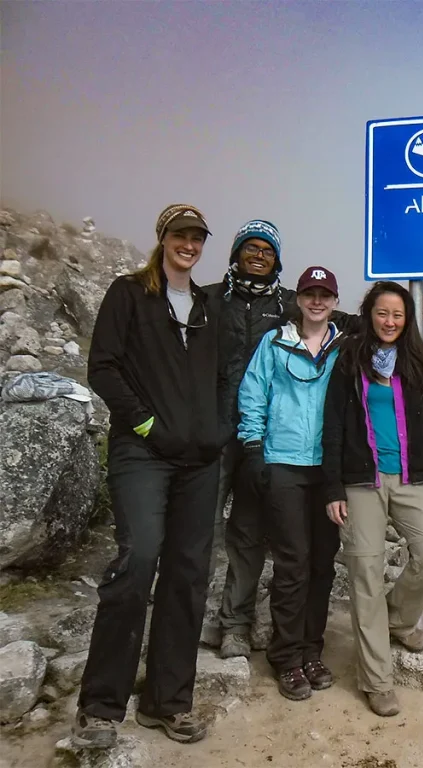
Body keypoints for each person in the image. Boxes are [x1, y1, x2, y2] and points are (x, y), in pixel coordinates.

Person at [73, 204, 222, 748]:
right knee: (137, 560)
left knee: (187, 572)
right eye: (181, 235)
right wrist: (145, 422)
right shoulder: (129, 293)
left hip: (200, 459)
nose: (189, 244)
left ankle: (168, 703)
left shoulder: (208, 306)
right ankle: (100, 706)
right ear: (162, 238)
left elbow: (225, 373)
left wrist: (218, 428)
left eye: (198, 237)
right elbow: (103, 366)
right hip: (142, 451)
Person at [205, 220, 360, 660]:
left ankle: (240, 624)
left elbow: (343, 320)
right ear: (235, 253)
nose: (258, 255)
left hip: (272, 443)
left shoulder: (289, 303)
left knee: (254, 532)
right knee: (208, 530)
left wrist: (399, 313)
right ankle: (205, 618)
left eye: (267, 250)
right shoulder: (212, 299)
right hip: (220, 431)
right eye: (250, 248)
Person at [322, 280, 423, 718]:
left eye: (398, 314)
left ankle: (397, 620)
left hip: (411, 479)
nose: (390, 321)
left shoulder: (422, 360)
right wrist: (333, 487)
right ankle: (376, 680)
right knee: (365, 573)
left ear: (408, 318)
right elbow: (333, 424)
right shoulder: (348, 358)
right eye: (382, 313)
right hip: (360, 482)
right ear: (369, 314)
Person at [236, 266, 345, 701]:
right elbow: (253, 392)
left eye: (325, 294)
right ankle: (286, 657)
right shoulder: (274, 343)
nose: (317, 301)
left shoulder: (344, 348)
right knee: (292, 563)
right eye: (309, 293)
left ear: (335, 301)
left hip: (329, 471)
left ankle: (312, 651)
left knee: (322, 563)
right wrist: (252, 446)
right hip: (282, 464)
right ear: (297, 299)